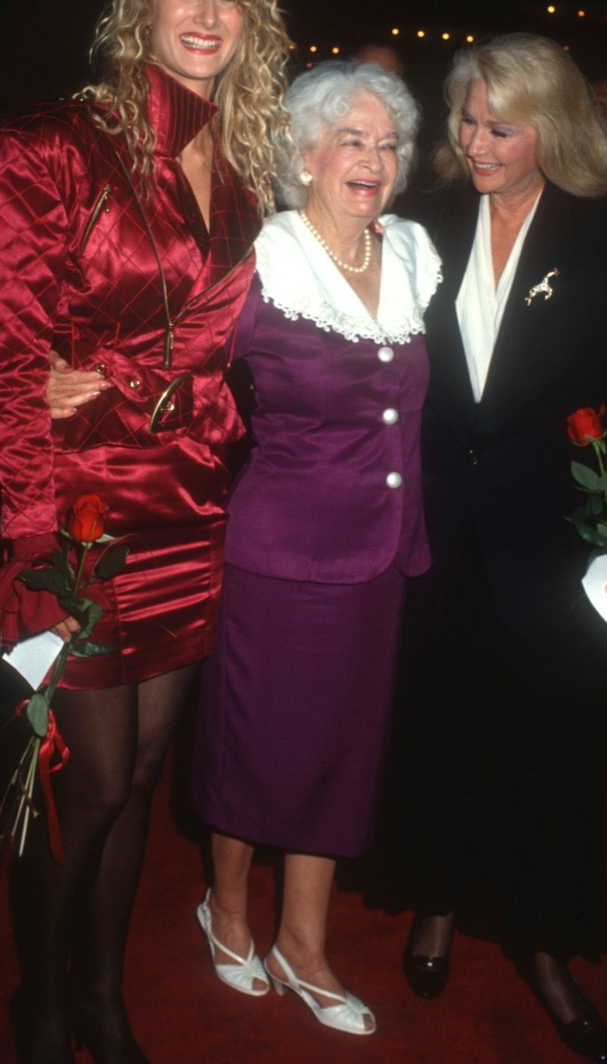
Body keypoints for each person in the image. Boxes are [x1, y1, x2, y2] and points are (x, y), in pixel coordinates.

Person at [0, 0, 289, 1064]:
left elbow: (249, 338)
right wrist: (25, 540)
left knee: (145, 774)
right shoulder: (50, 145)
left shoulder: (255, 160)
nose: (208, 14)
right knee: (88, 778)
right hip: (84, 512)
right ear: (139, 7)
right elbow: (10, 363)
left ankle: (101, 995)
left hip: (194, 502)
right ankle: (36, 999)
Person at [394, 34, 607, 1063]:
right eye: (465, 120)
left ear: (550, 127)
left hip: (555, 536)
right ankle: (439, 903)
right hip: (442, 529)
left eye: (499, 127)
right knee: (444, 724)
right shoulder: (421, 221)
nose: (473, 143)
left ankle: (545, 944)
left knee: (551, 746)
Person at [188, 61, 440, 1035]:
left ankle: (302, 942)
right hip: (279, 557)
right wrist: (67, 381)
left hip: (380, 560)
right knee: (255, 748)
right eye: (350, 139)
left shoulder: (416, 254)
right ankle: (227, 909)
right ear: (302, 154)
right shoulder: (262, 260)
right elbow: (161, 353)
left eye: (387, 144)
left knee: (341, 755)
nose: (372, 161)